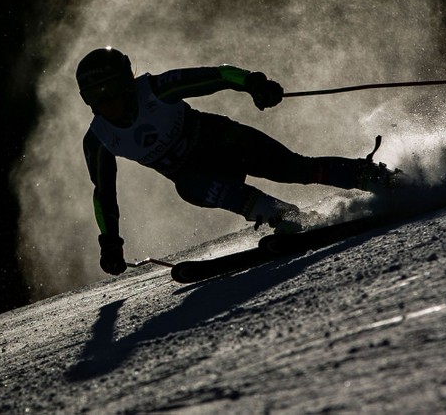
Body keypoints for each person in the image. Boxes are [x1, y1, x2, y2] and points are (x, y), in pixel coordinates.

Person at [76, 46, 399, 276]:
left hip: (226, 141)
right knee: (189, 186)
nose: (104, 104)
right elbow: (104, 195)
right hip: (200, 175)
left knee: (296, 169)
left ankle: (375, 177)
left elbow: (218, 75)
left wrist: (253, 83)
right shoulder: (99, 139)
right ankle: (284, 216)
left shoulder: (157, 89)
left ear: (126, 83)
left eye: (108, 90)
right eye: (93, 97)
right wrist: (110, 242)